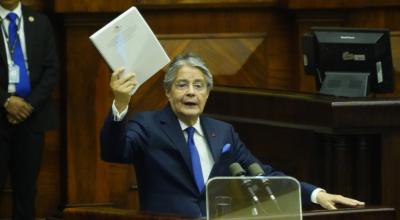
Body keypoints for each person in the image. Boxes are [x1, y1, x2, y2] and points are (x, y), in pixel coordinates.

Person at [100, 53, 364, 217]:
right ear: (168, 93)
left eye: (198, 85)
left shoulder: (222, 132)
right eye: (182, 85)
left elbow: (262, 174)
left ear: (207, 93)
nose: (191, 92)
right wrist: (121, 104)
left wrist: (316, 194)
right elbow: (115, 151)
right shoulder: (148, 125)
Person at [0, 0, 59, 219]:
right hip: (0, 115)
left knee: (27, 192)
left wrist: (28, 105)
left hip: (32, 118)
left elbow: (51, 70)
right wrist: (6, 101)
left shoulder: (40, 22)